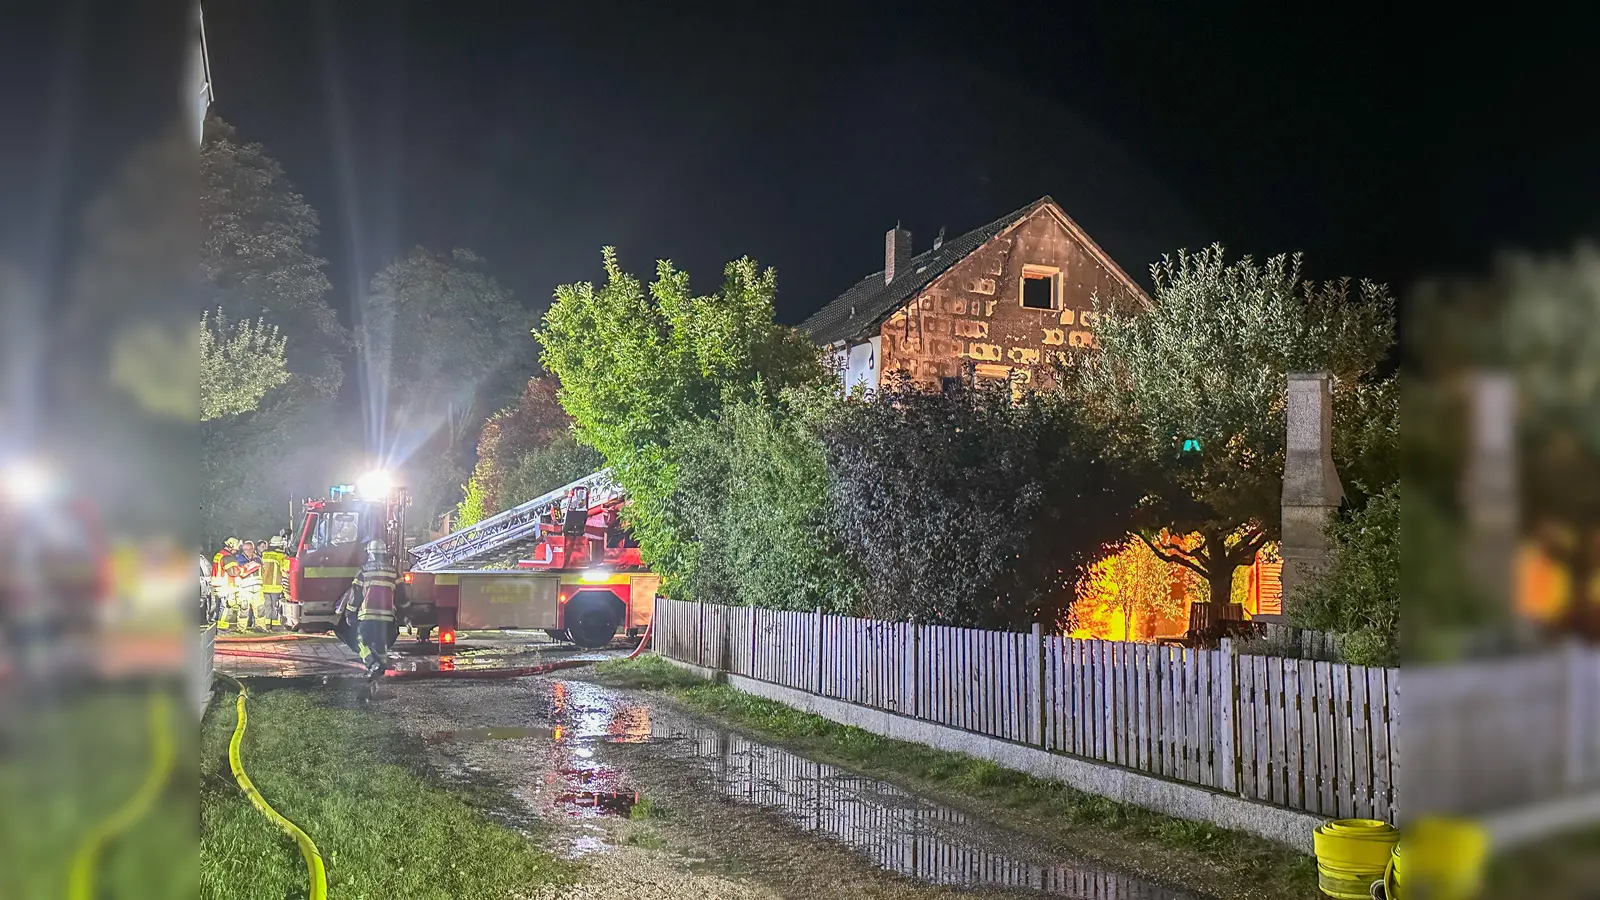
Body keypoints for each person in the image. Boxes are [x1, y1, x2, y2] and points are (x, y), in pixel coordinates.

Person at [342, 540, 397, 696]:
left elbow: (355, 594)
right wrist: (404, 614)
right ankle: (379, 671)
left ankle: (372, 664)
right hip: (387, 618)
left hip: (368, 616)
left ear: (370, 554)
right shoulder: (393, 572)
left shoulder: (364, 571)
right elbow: (402, 595)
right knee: (382, 644)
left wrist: (350, 613)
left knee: (360, 641)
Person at [260, 535, 289, 629]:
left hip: (264, 585)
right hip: (276, 586)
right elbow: (286, 569)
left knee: (267, 605)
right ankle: (275, 626)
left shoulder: (264, 554)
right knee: (275, 606)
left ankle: (267, 625)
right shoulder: (281, 556)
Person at [213, 538, 241, 628]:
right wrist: (243, 569)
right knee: (226, 607)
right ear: (230, 546)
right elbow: (233, 572)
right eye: (235, 549)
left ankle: (219, 626)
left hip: (218, 585)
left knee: (220, 607)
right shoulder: (228, 557)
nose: (236, 551)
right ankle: (222, 628)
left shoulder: (219, 554)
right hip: (226, 586)